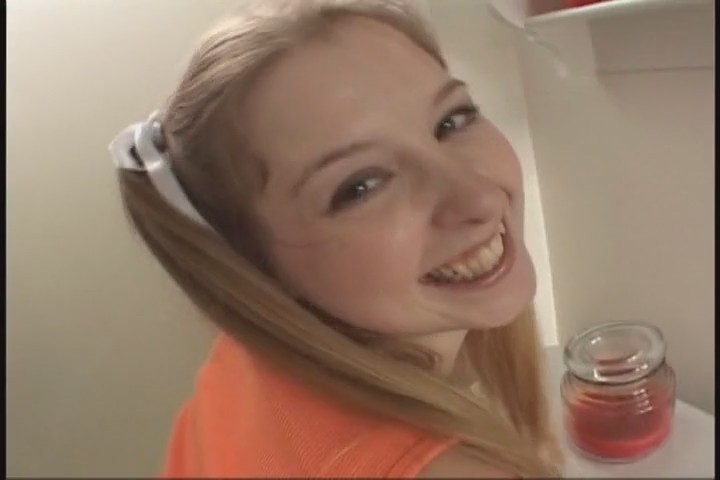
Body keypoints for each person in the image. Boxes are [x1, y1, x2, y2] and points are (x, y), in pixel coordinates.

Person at [109, 0, 563, 477]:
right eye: (361, 186)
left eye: (451, 121)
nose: (480, 199)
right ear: (253, 264)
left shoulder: (246, 367)